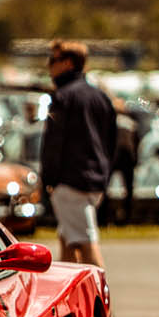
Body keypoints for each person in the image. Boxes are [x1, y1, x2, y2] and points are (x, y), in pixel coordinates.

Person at [41, 38, 116, 268]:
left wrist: (49, 180)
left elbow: (54, 143)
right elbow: (111, 141)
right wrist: (104, 176)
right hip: (94, 181)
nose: (49, 66)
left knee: (87, 246)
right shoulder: (100, 97)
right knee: (67, 241)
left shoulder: (63, 97)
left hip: (70, 182)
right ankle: (69, 301)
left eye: (53, 60)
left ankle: (104, 303)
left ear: (68, 63)